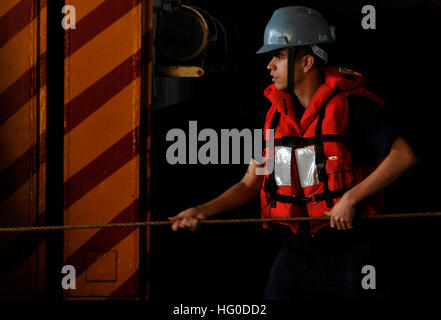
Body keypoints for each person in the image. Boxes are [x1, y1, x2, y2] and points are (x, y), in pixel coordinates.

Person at [168, 6, 417, 300]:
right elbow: (250, 183)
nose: (269, 65)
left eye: (279, 56)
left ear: (307, 62)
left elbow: (404, 156)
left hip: (352, 255)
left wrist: (350, 199)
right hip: (296, 257)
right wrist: (203, 210)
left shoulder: (353, 108)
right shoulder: (273, 117)